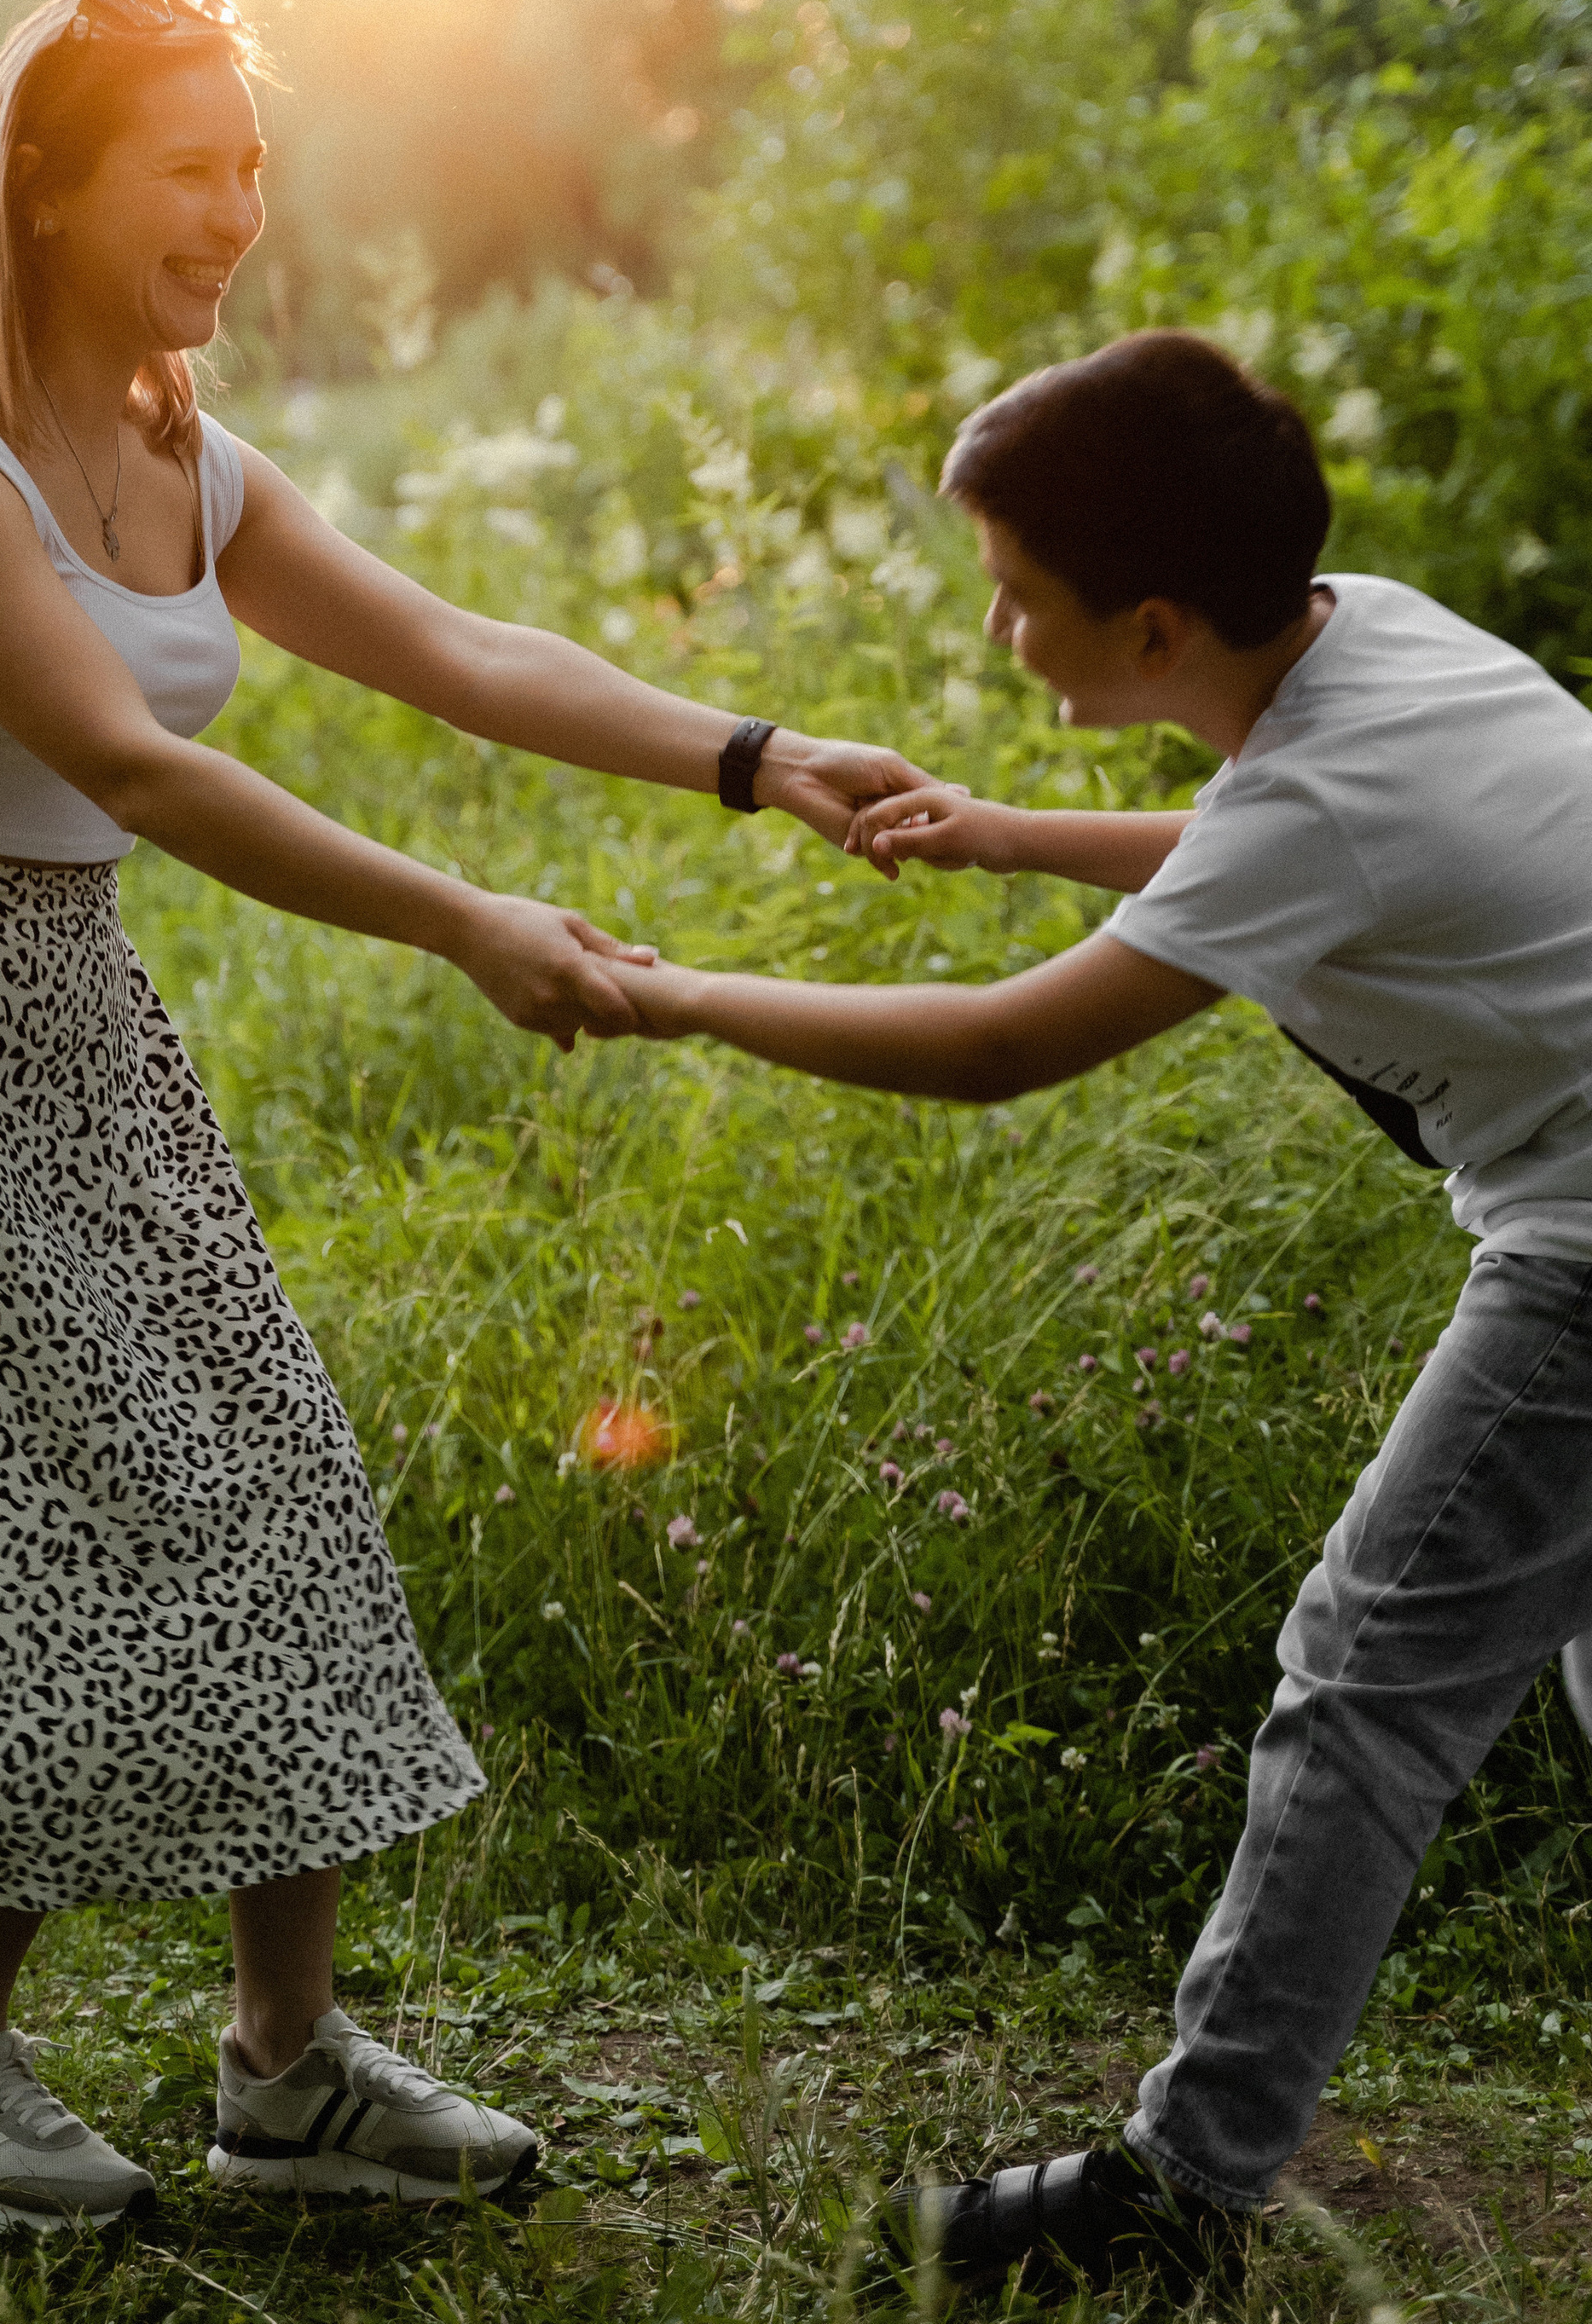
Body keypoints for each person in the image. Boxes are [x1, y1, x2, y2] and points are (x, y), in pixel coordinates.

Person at [0, 0, 924, 2234]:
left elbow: (459, 652)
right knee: (49, 1538)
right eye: (193, 171)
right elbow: (133, 763)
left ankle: (288, 2064)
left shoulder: (180, 456)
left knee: (266, 1477)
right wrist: (468, 922)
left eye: (257, 168)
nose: (242, 214)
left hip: (73, 1021)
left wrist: (756, 758)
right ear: (51, 182)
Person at [611, 328, 1592, 2295]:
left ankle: (1173, 2194)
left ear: (1151, 627)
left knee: (1361, 1681)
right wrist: (1012, 833)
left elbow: (999, 1048)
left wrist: (675, 992)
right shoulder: (1363, 636)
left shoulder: (1310, 794)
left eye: (1014, 597)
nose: (992, 630)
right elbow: (1279, 847)